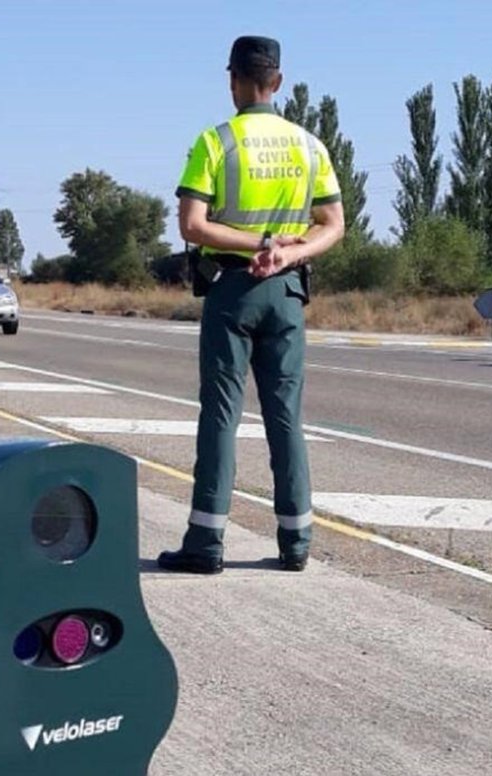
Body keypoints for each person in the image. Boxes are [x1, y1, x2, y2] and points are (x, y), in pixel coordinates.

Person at [156, 35, 345, 575]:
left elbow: (192, 225)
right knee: (285, 416)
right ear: (277, 81)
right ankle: (296, 542)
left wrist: (256, 243)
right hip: (286, 292)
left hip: (231, 288)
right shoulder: (309, 145)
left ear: (232, 80)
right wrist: (289, 252)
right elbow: (334, 225)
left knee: (221, 414)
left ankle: (206, 542)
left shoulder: (215, 143)